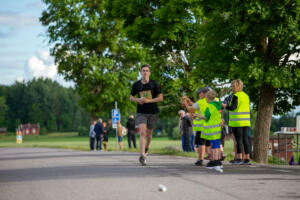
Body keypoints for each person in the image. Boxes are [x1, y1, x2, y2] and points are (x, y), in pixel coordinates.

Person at [130, 64, 163, 165]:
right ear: (140, 72)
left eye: (147, 70)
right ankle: (142, 155)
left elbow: (161, 98)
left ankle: (147, 147)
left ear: (149, 72)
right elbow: (131, 97)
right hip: (141, 112)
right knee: (142, 133)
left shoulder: (154, 83)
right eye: (143, 70)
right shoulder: (136, 85)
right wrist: (138, 99)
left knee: (149, 135)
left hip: (153, 111)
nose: (145, 72)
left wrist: (149, 101)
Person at [222, 79, 251, 165]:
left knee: (238, 140)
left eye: (234, 86)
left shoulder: (236, 96)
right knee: (245, 140)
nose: (232, 88)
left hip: (237, 122)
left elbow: (232, 107)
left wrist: (225, 106)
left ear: (239, 86)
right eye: (232, 86)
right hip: (246, 122)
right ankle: (247, 158)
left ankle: (239, 158)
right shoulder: (246, 96)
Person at [183, 87, 210, 166]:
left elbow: (190, 109)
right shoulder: (211, 101)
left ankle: (200, 159)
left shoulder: (200, 102)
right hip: (209, 126)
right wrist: (196, 115)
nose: (199, 94)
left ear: (204, 94)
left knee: (201, 144)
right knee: (208, 144)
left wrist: (186, 103)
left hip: (200, 127)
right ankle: (213, 159)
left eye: (200, 93)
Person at [200, 90, 223, 171]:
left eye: (206, 97)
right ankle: (217, 161)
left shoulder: (209, 106)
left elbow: (206, 117)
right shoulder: (218, 104)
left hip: (211, 129)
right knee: (217, 145)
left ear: (208, 97)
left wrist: (197, 116)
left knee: (213, 145)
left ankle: (214, 162)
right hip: (217, 128)